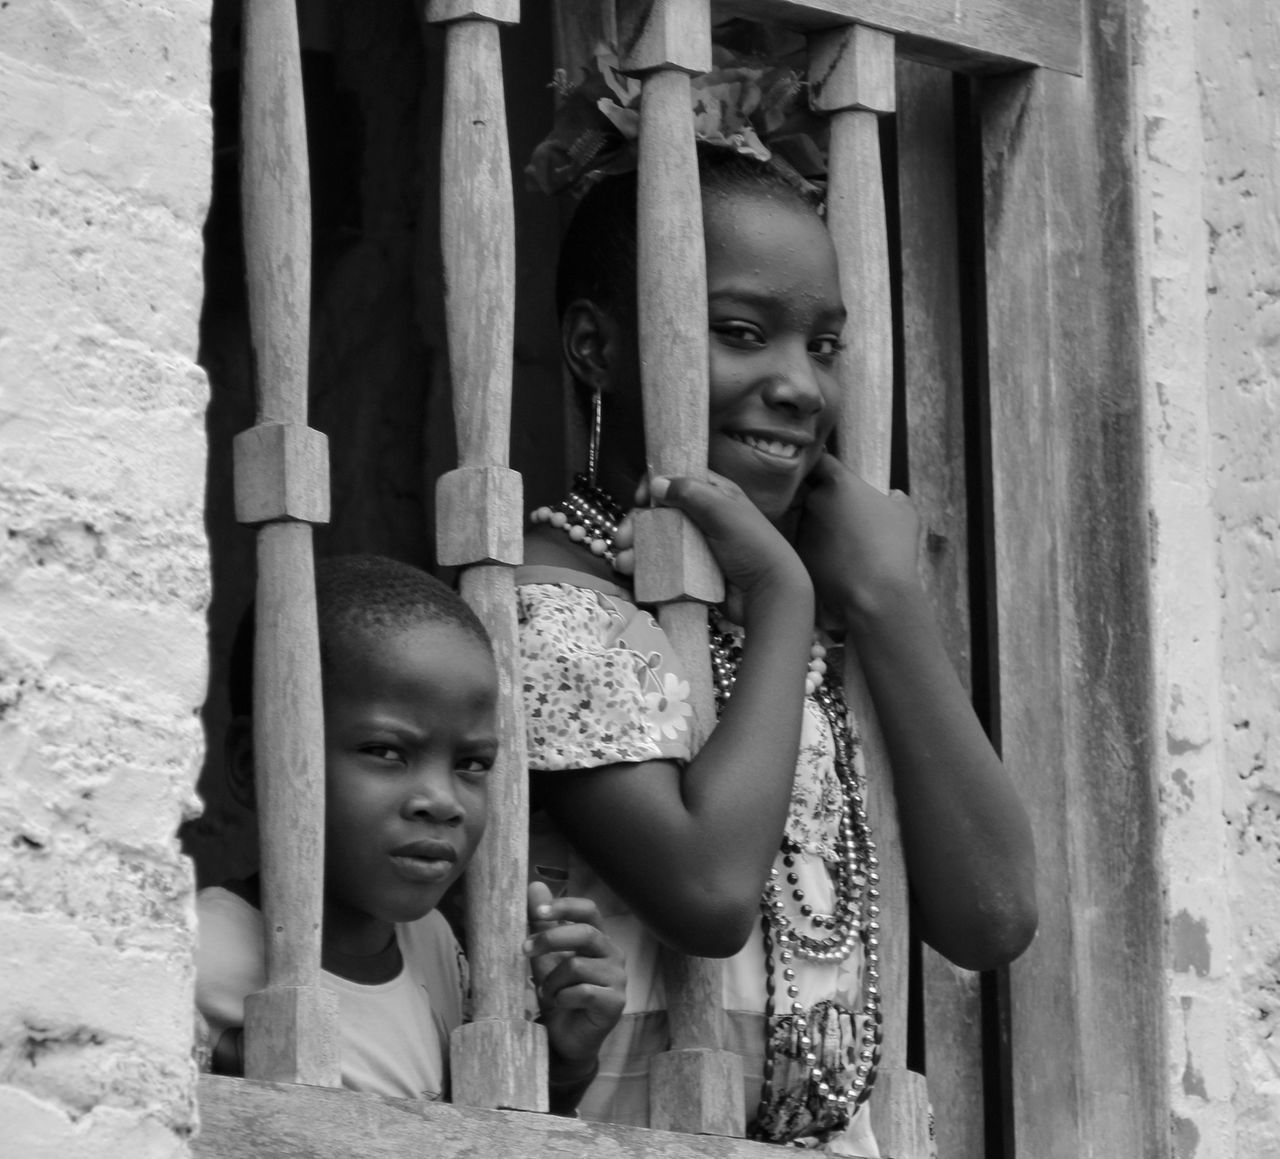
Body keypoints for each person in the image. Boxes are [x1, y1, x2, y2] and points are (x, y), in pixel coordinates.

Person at [518, 146, 1038, 1151]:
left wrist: (885, 599)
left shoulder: (821, 613)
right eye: (742, 333)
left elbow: (993, 916)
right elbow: (706, 896)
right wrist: (783, 595)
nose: (800, 385)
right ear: (594, 345)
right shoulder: (551, 600)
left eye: (824, 345)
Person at [196, 554, 626, 1114]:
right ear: (254, 762)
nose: (442, 801)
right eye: (385, 752)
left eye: (472, 763)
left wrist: (564, 1063)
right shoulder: (197, 955)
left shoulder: (437, 949)